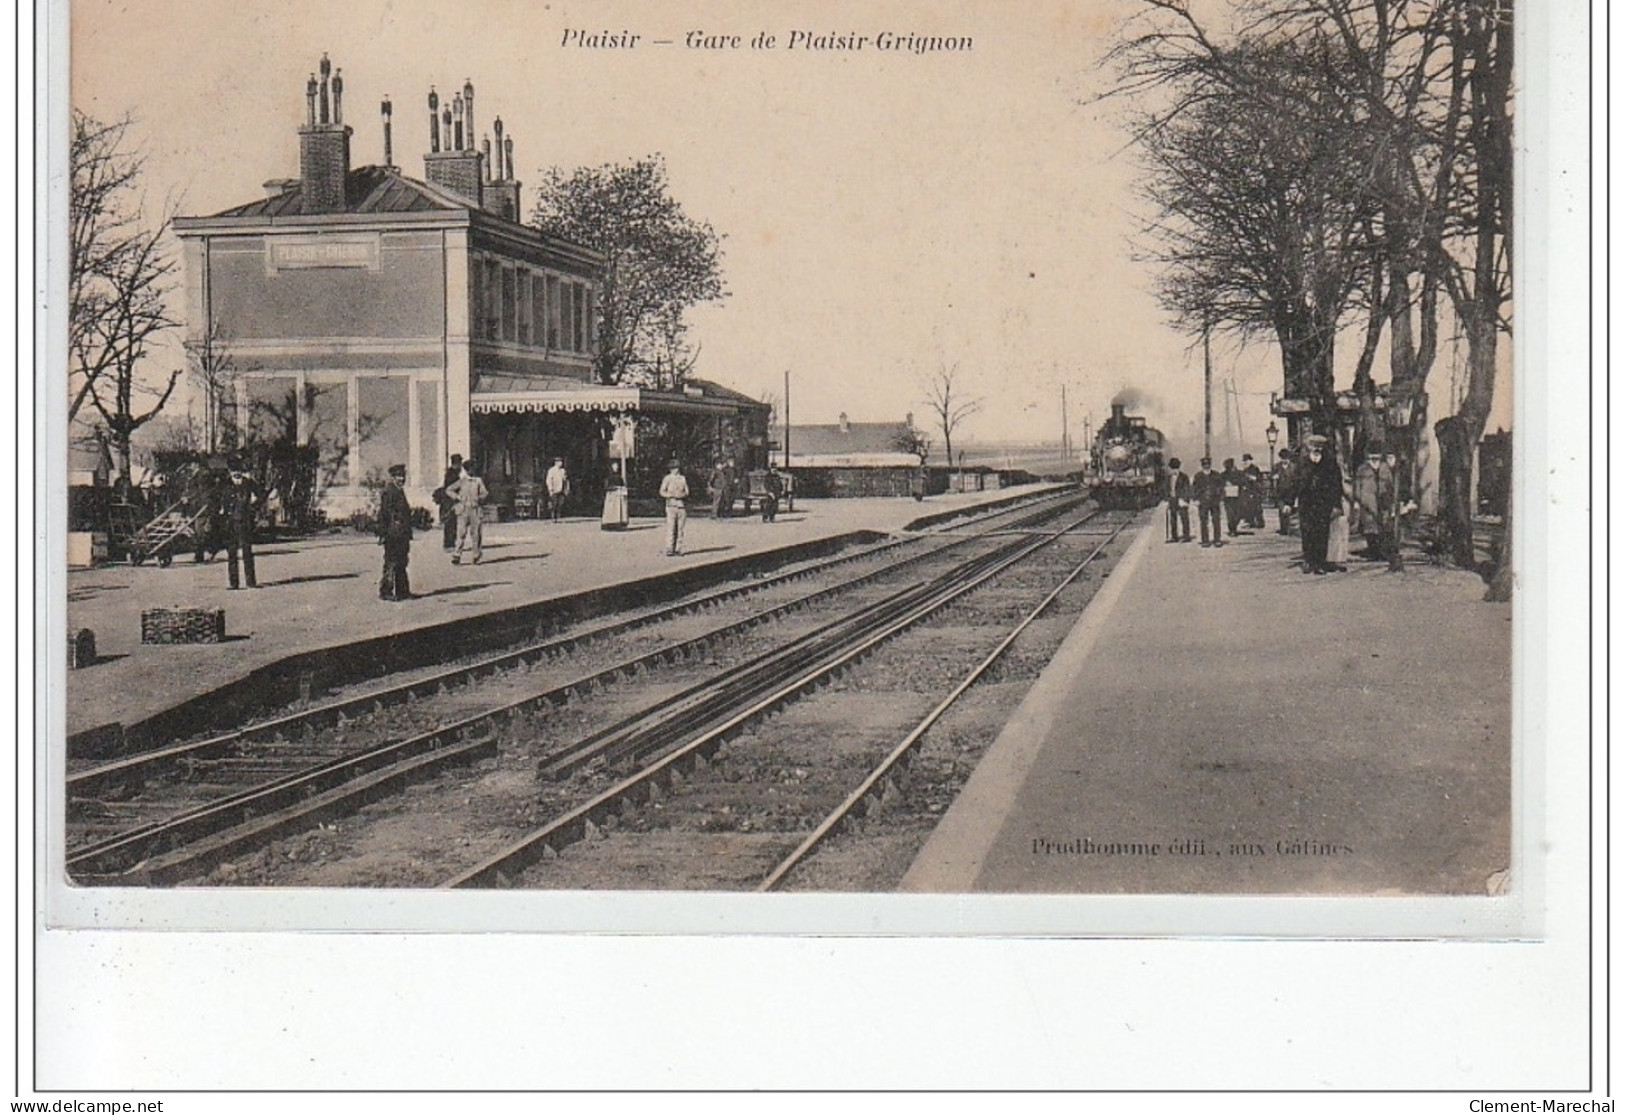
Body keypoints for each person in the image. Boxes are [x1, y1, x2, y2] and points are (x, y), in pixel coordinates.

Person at [1296, 436, 1346, 574]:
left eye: (1319, 447)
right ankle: (1309, 560)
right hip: (1306, 506)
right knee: (1307, 534)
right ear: (1309, 448)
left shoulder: (1330, 465)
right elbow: (1294, 485)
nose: (1317, 450)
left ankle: (1319, 562)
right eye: (1313, 446)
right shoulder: (1302, 464)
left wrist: (1336, 504)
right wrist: (1288, 502)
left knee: (1321, 534)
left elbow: (1337, 486)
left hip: (1323, 505)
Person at [220, 457, 263, 590]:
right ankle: (234, 583)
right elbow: (218, 499)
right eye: (233, 471)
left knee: (247, 551)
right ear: (229, 471)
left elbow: (261, 496)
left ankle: (251, 581)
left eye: (237, 471)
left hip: (245, 520)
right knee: (231, 552)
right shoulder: (225, 484)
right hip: (230, 522)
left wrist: (253, 508)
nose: (235, 473)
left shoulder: (249, 483)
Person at [377, 463, 414, 600]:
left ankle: (402, 591)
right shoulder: (389, 491)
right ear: (393, 477)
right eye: (399, 476)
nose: (402, 479)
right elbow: (384, 514)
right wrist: (383, 533)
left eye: (403, 476)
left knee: (402, 562)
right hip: (393, 533)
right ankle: (386, 591)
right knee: (391, 562)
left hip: (401, 533)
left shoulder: (398, 490)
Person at [448, 458, 488, 565]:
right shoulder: (462, 481)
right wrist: (457, 497)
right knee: (461, 533)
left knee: (476, 534)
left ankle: (476, 554)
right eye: (469, 469)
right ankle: (457, 554)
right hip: (463, 510)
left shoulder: (478, 481)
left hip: (475, 509)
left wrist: (479, 498)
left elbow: (485, 493)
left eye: (472, 469)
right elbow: (449, 490)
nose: (471, 471)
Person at [659, 459, 690, 555]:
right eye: (673, 468)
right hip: (671, 505)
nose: (675, 470)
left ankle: (679, 548)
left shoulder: (682, 479)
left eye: (676, 468)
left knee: (680, 528)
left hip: (681, 506)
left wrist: (682, 494)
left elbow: (687, 491)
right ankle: (669, 547)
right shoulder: (667, 478)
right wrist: (670, 495)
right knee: (671, 527)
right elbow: (661, 491)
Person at [1190, 457, 1224, 547]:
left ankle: (1217, 540)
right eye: (1204, 465)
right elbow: (1194, 489)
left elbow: (1221, 487)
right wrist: (1195, 499)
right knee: (1203, 521)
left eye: (1208, 465)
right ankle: (1205, 540)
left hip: (1214, 501)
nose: (1206, 467)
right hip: (1203, 502)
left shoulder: (1216, 475)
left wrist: (1220, 499)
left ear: (1210, 465)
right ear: (1202, 466)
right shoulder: (1198, 476)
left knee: (1216, 520)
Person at [434, 453, 463, 551]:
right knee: (450, 523)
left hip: (449, 501)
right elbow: (450, 488)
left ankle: (450, 543)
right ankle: (448, 544)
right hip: (449, 502)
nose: (461, 466)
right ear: (457, 463)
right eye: (459, 463)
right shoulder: (452, 474)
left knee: (451, 523)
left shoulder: (451, 473)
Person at [1164, 457, 1192, 543]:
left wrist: (1184, 499)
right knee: (1173, 519)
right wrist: (1167, 499)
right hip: (1172, 499)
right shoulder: (1168, 477)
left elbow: (1187, 489)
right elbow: (1166, 488)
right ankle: (1174, 536)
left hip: (1181, 500)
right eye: (1171, 468)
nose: (1172, 470)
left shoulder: (1184, 477)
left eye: (1173, 468)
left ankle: (1186, 536)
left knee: (1184, 518)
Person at [1272, 448, 1298, 536]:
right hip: (1280, 491)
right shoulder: (1276, 467)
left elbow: (1297, 480)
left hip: (1291, 492)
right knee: (1282, 510)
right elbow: (1271, 477)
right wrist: (1273, 477)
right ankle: (1283, 528)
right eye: (1283, 458)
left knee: (1289, 510)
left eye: (1286, 458)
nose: (1284, 460)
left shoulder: (1294, 467)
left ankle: (1288, 528)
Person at [1220, 457, 1245, 537]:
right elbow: (1220, 484)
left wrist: (1235, 483)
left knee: (1238, 513)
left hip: (1238, 496)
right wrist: (1224, 485)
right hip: (1228, 497)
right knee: (1230, 514)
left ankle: (1234, 526)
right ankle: (1232, 530)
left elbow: (1244, 482)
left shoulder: (1240, 473)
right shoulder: (1223, 475)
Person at [1240, 453, 1266, 529]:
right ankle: (1251, 522)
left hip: (1255, 490)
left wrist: (1252, 478)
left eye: (1246, 461)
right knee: (1248, 507)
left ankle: (1260, 522)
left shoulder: (1255, 469)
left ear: (1250, 461)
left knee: (1256, 507)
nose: (1245, 462)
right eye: (1244, 461)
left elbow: (1259, 479)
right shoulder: (1245, 470)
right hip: (1248, 490)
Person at [545, 456, 571, 522]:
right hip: (554, 489)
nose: (561, 463)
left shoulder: (563, 471)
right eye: (559, 462)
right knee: (554, 504)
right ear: (556, 463)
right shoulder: (552, 470)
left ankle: (558, 516)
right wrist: (550, 489)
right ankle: (553, 517)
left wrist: (567, 488)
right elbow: (549, 480)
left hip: (561, 489)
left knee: (560, 503)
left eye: (561, 462)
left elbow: (566, 480)